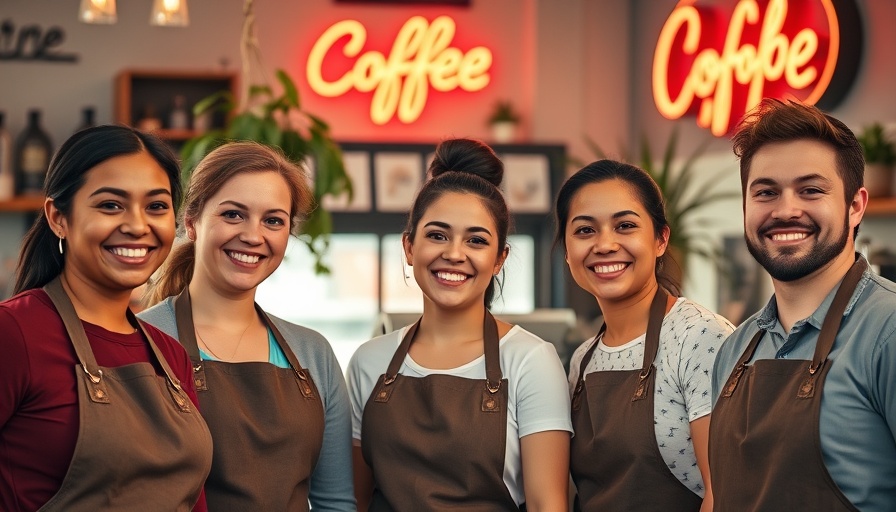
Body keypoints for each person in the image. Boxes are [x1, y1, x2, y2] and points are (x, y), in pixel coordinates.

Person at [348, 138, 572, 511]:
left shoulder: (531, 360)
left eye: (476, 240)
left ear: (500, 258)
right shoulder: (368, 362)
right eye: (437, 235)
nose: (454, 254)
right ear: (409, 247)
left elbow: (548, 504)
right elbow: (353, 501)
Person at [0, 125, 212, 511]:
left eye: (156, 206)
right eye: (111, 205)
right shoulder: (14, 333)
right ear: (58, 217)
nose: (137, 225)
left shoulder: (171, 356)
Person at [139, 141, 355, 511]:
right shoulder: (141, 340)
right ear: (191, 222)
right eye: (234, 215)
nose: (254, 236)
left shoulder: (313, 353)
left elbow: (334, 502)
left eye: (273, 220)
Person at [710, 99, 896, 511]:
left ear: (855, 206)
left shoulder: (888, 331)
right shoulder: (733, 351)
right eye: (766, 192)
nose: (786, 210)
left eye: (811, 190)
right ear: (745, 208)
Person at [557, 159, 733, 512]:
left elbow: (726, 493)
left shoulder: (697, 336)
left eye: (624, 226)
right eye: (584, 230)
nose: (604, 245)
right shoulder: (583, 360)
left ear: (660, 240)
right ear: (566, 249)